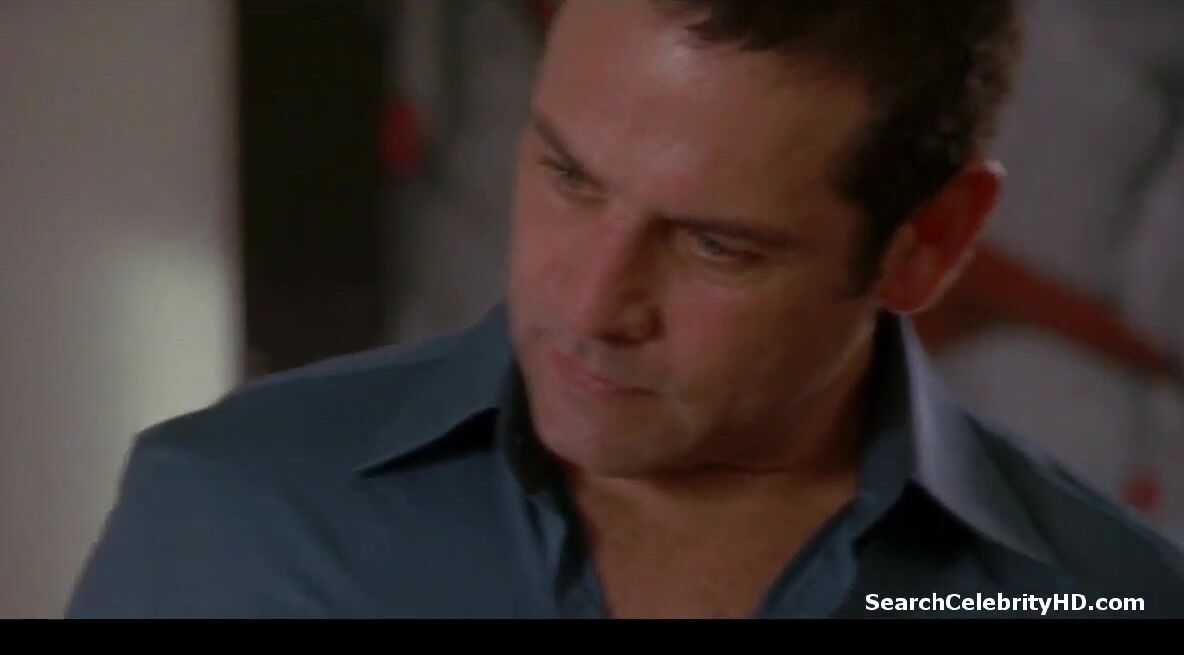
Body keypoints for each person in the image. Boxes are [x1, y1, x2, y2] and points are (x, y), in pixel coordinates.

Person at [66, 0, 1184, 619]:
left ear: (929, 242)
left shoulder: (1107, 599)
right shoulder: (226, 507)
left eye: (714, 245)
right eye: (568, 177)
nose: (590, 303)